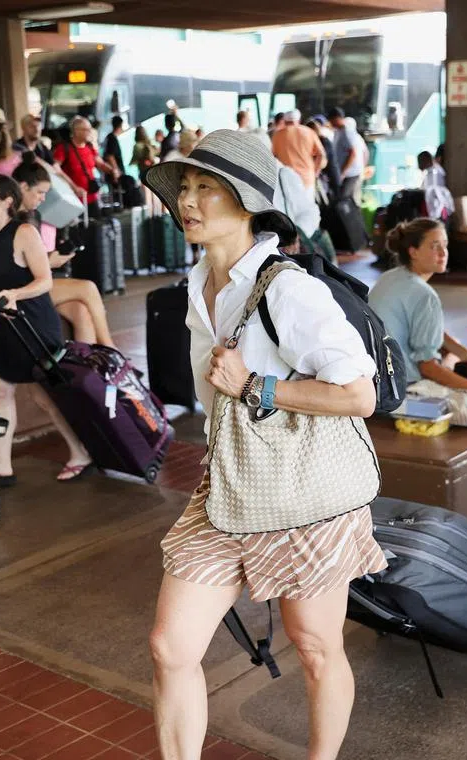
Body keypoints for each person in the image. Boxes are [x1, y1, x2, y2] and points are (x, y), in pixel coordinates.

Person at [141, 129, 385, 760]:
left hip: (304, 487)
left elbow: (360, 393)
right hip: (230, 481)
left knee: (314, 645)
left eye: (207, 189)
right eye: (185, 189)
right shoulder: (200, 281)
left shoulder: (291, 290)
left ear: (247, 202)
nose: (189, 202)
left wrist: (257, 385)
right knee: (172, 646)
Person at [0, 175, 93, 485]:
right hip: (8, 323)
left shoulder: (24, 233)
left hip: (33, 323)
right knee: (2, 389)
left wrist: (15, 293)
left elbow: (45, 280)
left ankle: (80, 452)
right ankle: (2, 463)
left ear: (7, 201)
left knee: (43, 397)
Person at [369, 218, 467, 409]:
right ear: (413, 252)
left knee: (455, 351)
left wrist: (466, 354)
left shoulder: (390, 277)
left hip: (373, 381)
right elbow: (427, 368)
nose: (443, 253)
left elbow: (426, 329)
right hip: (402, 388)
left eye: (445, 245)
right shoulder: (425, 296)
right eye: (435, 246)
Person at [11, 153, 116, 347]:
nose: (43, 199)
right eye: (40, 193)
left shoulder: (29, 215)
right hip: (21, 288)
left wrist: (51, 258)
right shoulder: (14, 220)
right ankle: (109, 348)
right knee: (88, 288)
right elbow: (15, 267)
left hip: (33, 283)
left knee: (81, 312)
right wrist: (49, 262)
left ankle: (88, 369)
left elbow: (30, 259)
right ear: (23, 187)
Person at [54, 116, 117, 214]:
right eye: (85, 130)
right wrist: (74, 187)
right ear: (76, 131)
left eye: (89, 129)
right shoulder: (63, 148)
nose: (89, 132)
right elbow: (56, 169)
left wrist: (112, 170)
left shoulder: (89, 146)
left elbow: (100, 163)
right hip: (73, 199)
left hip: (92, 197)